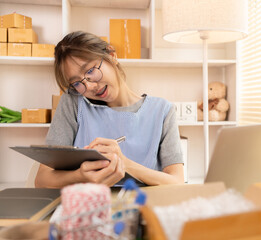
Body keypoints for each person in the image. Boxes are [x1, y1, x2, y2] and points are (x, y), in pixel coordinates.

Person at [35, 31, 184, 188]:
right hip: (89, 206)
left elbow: (177, 182)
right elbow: (42, 180)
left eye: (91, 71)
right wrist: (79, 175)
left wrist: (125, 164)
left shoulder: (162, 110)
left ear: (112, 56)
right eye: (77, 83)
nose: (90, 86)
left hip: (142, 206)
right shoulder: (74, 101)